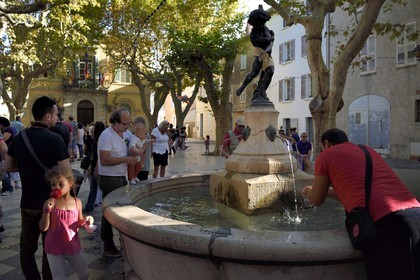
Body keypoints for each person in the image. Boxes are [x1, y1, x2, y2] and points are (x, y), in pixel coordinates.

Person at [302, 128, 420, 280]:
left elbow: (315, 200)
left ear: (326, 143)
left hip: (388, 224)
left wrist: (308, 192)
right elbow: (357, 192)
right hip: (414, 212)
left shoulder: (326, 155)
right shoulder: (367, 149)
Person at [5, 96, 71, 280]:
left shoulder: (20, 138)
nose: (58, 119)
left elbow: (8, 166)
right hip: (50, 204)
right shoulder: (54, 139)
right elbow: (66, 172)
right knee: (50, 248)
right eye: (56, 115)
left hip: (27, 203)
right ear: (47, 116)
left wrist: (26, 167)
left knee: (27, 248)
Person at [39, 165, 94, 280]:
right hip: (54, 247)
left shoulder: (77, 202)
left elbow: (78, 222)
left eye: (60, 184)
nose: (56, 188)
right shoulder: (49, 203)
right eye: (53, 184)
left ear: (70, 183)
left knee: (85, 273)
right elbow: (43, 228)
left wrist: (85, 222)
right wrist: (46, 211)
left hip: (72, 245)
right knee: (58, 277)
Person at [98, 108, 138, 257]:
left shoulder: (126, 133)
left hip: (122, 177)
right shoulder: (106, 136)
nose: (127, 127)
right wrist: (126, 159)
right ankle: (108, 245)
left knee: (122, 211)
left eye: (129, 123)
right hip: (109, 178)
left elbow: (133, 146)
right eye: (124, 124)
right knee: (109, 213)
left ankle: (123, 242)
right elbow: (104, 160)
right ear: (115, 122)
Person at [236, 5, 274, 104]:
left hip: (267, 55)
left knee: (270, 71)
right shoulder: (253, 35)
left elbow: (269, 38)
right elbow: (262, 41)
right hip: (259, 54)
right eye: (260, 24)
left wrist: (271, 37)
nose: (262, 26)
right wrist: (270, 38)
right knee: (254, 72)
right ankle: (242, 87)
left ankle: (261, 91)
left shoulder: (263, 27)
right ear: (255, 23)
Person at [84, 121, 105, 212]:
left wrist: (96, 168)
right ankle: (91, 205)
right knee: (96, 187)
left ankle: (90, 205)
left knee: (94, 187)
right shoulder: (102, 139)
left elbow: (97, 156)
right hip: (98, 167)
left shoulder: (97, 141)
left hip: (96, 167)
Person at [134, 117, 152, 181]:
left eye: (134, 123)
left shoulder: (144, 134)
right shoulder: (143, 133)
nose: (133, 125)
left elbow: (143, 150)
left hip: (142, 166)